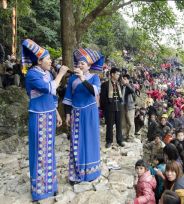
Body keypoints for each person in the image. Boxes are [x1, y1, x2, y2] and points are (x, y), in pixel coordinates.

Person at [23, 39, 69, 201]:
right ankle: (39, 190)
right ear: (39, 61)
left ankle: (51, 185)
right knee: (39, 151)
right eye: (48, 59)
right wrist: (62, 74)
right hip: (38, 116)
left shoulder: (47, 73)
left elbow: (52, 95)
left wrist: (57, 114)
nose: (51, 62)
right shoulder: (32, 74)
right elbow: (49, 87)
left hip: (49, 115)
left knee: (49, 151)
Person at [62, 48, 103, 184]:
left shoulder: (95, 78)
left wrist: (82, 78)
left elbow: (94, 92)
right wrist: (67, 115)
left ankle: (92, 172)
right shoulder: (71, 78)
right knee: (76, 142)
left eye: (83, 64)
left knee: (90, 140)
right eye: (79, 63)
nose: (80, 66)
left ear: (89, 66)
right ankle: (76, 173)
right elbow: (68, 97)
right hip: (76, 113)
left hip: (90, 113)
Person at [100, 67, 125, 148]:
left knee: (119, 125)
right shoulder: (105, 84)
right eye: (117, 74)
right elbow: (102, 98)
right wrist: (104, 109)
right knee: (109, 125)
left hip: (119, 108)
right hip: (109, 108)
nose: (118, 75)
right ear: (112, 74)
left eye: (119, 74)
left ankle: (120, 140)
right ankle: (109, 141)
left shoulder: (119, 84)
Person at [121, 74, 136, 142]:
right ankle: (124, 135)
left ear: (128, 80)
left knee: (130, 122)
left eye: (125, 79)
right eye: (123, 79)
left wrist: (127, 84)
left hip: (130, 106)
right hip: (122, 106)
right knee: (123, 122)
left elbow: (132, 91)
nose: (124, 80)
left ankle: (131, 137)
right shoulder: (121, 86)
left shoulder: (131, 86)